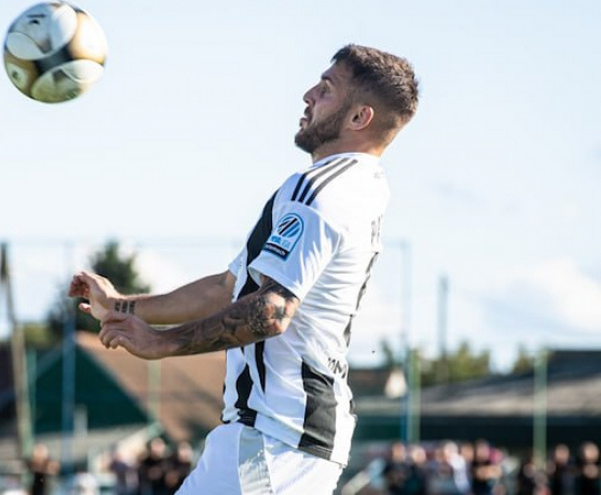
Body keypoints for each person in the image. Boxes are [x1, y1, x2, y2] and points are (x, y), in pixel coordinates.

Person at [69, 44, 419, 495]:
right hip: (276, 436)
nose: (308, 95)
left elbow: (271, 311)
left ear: (358, 117)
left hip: (276, 439)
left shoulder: (320, 190)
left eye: (326, 88)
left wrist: (162, 342)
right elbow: (228, 287)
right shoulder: (354, 187)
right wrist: (122, 306)